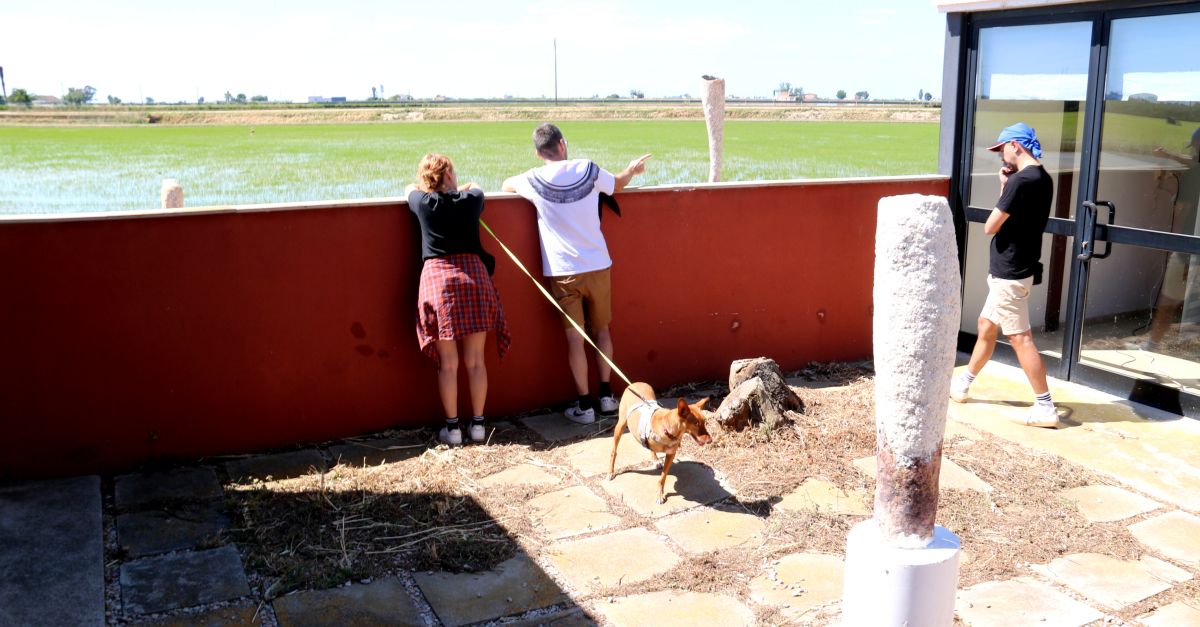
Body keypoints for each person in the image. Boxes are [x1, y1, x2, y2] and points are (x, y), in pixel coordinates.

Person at [501, 123, 651, 424]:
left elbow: (506, 186)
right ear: (562, 144)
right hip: (598, 264)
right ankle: (606, 396)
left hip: (562, 272)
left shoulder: (533, 179)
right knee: (603, 331)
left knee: (575, 339)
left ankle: (584, 405)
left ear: (538, 153)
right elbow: (618, 183)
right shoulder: (588, 169)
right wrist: (632, 169)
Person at [950, 122, 1058, 427]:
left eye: (1002, 149)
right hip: (1019, 266)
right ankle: (963, 385)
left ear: (1016, 146)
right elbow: (1017, 215)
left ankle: (1045, 406)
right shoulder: (1043, 178)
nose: (1000, 156)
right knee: (986, 326)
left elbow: (990, 226)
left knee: (1020, 337)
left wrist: (1004, 186)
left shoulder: (1020, 182)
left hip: (1010, 271)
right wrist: (1005, 186)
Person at [406, 153, 512, 445]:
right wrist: (458, 188)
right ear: (450, 175)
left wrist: (430, 188)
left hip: (439, 284)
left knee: (448, 364)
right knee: (476, 361)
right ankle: (478, 426)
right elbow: (476, 186)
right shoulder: (471, 200)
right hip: (474, 280)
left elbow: (409, 190)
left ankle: (453, 430)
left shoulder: (422, 203)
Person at [1142, 127, 1200, 350]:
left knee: (1169, 300)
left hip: (1188, 246)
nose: (1193, 153)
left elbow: (1180, 209)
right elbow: (1191, 160)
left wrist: (1169, 192)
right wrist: (1167, 155)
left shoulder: (1193, 174)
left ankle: (1152, 344)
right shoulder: (1194, 168)